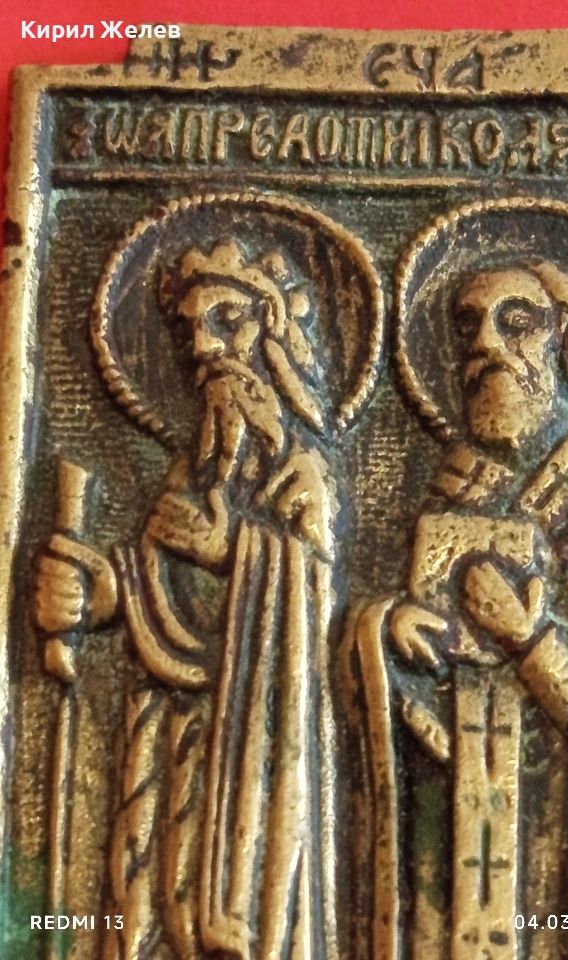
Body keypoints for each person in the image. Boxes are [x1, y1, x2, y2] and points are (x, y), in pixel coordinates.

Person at [341, 262, 568, 960]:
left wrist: (531, 637)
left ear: (566, 345)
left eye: (517, 324)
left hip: (549, 821)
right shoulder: (456, 483)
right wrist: (388, 629)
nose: (486, 344)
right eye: (470, 328)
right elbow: (386, 629)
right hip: (441, 812)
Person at [32, 238, 339, 960]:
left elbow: (314, 617)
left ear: (273, 334)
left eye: (226, 321)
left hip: (261, 760)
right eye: (190, 328)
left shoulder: (304, 476)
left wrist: (236, 553)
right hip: (173, 738)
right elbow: (156, 589)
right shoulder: (191, 468)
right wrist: (96, 593)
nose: (203, 348)